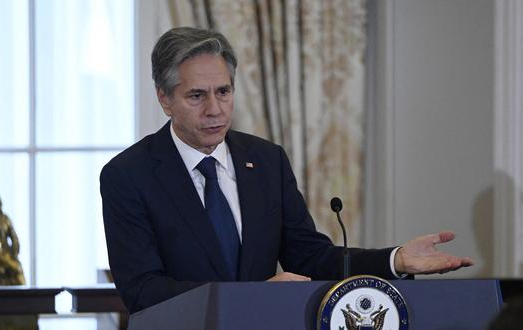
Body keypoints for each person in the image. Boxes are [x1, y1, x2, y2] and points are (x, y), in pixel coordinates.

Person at [100, 27, 472, 313]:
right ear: (164, 98)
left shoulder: (266, 160)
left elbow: (310, 256)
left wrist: (395, 259)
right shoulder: (129, 175)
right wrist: (253, 296)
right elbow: (142, 290)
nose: (215, 109)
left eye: (224, 92)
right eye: (197, 96)